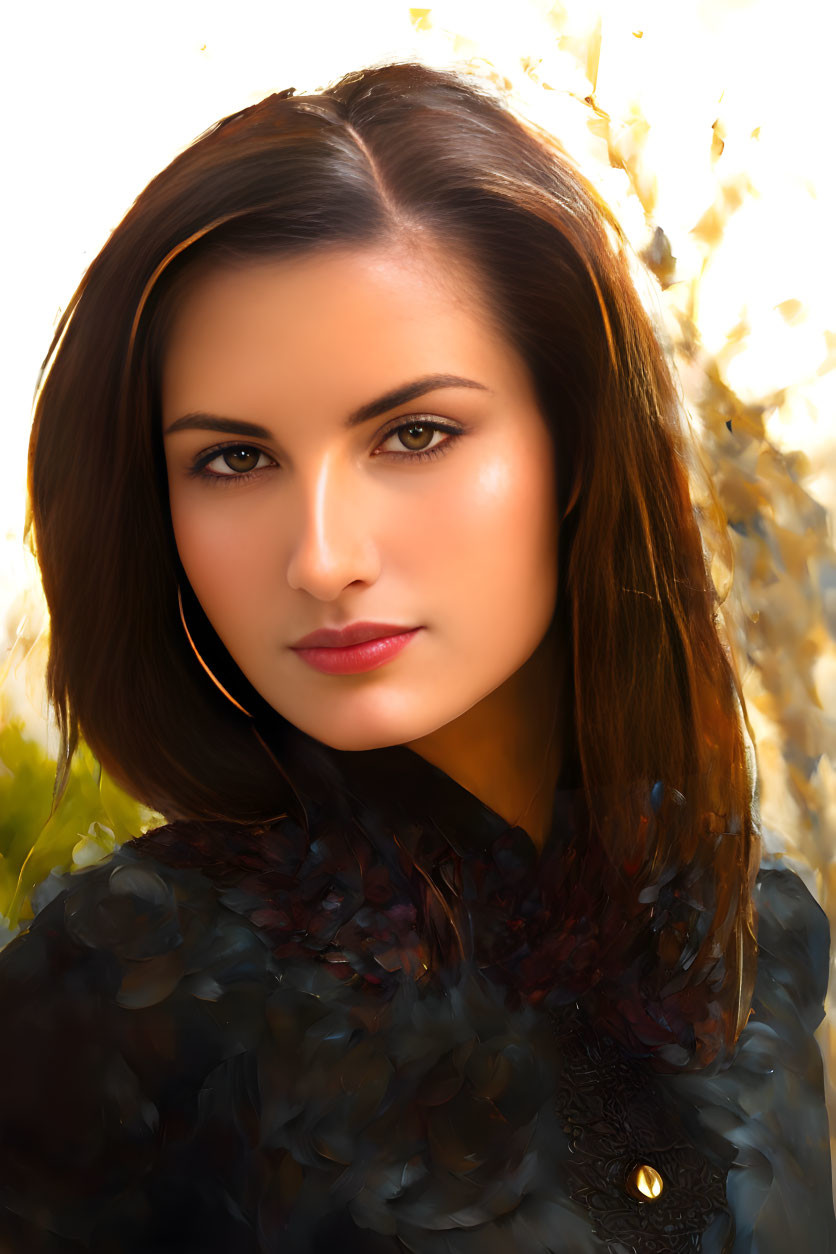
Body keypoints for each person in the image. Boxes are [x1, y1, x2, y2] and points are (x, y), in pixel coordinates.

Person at [0, 59, 832, 1252]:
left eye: (415, 433)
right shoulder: (121, 1003)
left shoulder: (749, 946)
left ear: (575, 446)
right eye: (233, 459)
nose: (323, 557)